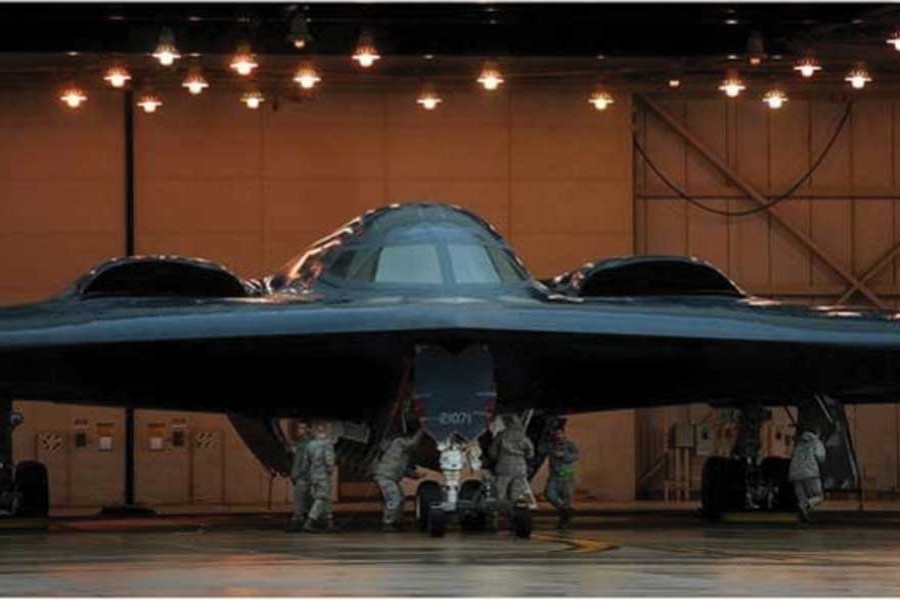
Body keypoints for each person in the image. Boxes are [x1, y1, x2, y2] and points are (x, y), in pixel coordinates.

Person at [373, 428, 424, 531]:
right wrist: (422, 430)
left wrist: (415, 475)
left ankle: (396, 521)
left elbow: (402, 469)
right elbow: (413, 444)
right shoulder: (399, 442)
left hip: (391, 477)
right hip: (386, 477)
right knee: (394, 498)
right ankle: (388, 523)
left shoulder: (402, 454)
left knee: (401, 498)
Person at [489, 414, 534, 508]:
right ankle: (514, 513)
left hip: (503, 465)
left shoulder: (501, 435)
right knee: (516, 492)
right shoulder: (523, 436)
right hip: (520, 466)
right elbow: (530, 453)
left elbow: (493, 452)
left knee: (500, 491)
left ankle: (500, 513)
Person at [542, 426, 579, 530]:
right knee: (549, 494)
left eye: (559, 433)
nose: (558, 436)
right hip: (554, 473)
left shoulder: (570, 445)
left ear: (563, 434)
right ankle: (564, 510)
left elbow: (575, 456)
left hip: (566, 473)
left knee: (566, 495)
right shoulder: (551, 445)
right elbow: (542, 449)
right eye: (555, 434)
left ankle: (565, 520)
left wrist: (563, 455)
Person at [303, 422, 337, 532]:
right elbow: (329, 461)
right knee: (321, 498)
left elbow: (305, 462)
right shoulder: (327, 444)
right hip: (323, 475)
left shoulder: (310, 445)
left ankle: (329, 521)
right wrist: (330, 471)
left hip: (313, 475)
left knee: (325, 498)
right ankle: (310, 521)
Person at [789, 426, 827, 522]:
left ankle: (803, 515)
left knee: (801, 498)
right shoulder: (816, 442)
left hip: (794, 473)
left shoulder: (799, 443)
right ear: (817, 432)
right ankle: (807, 505)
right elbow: (821, 457)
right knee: (819, 496)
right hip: (810, 473)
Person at [286, 420, 314, 532]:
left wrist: (296, 474)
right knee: (307, 499)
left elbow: (300, 461)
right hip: (304, 476)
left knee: (302, 499)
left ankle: (299, 521)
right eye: (299, 428)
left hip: (304, 476)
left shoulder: (306, 444)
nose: (300, 431)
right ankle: (307, 521)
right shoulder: (301, 443)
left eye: (302, 428)